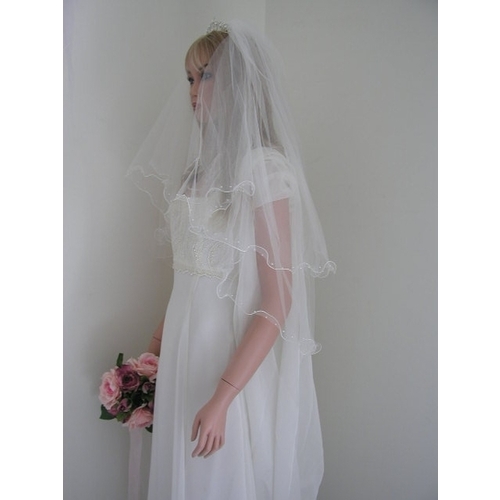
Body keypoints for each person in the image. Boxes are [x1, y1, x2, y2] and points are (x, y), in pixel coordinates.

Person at [128, 19, 335, 500]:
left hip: (226, 362)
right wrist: (149, 359)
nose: (193, 90)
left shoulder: (263, 169)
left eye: (206, 76)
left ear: (240, 85)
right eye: (189, 77)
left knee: (218, 478)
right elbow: (188, 277)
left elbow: (278, 300)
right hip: (181, 354)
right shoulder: (198, 171)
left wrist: (223, 395)